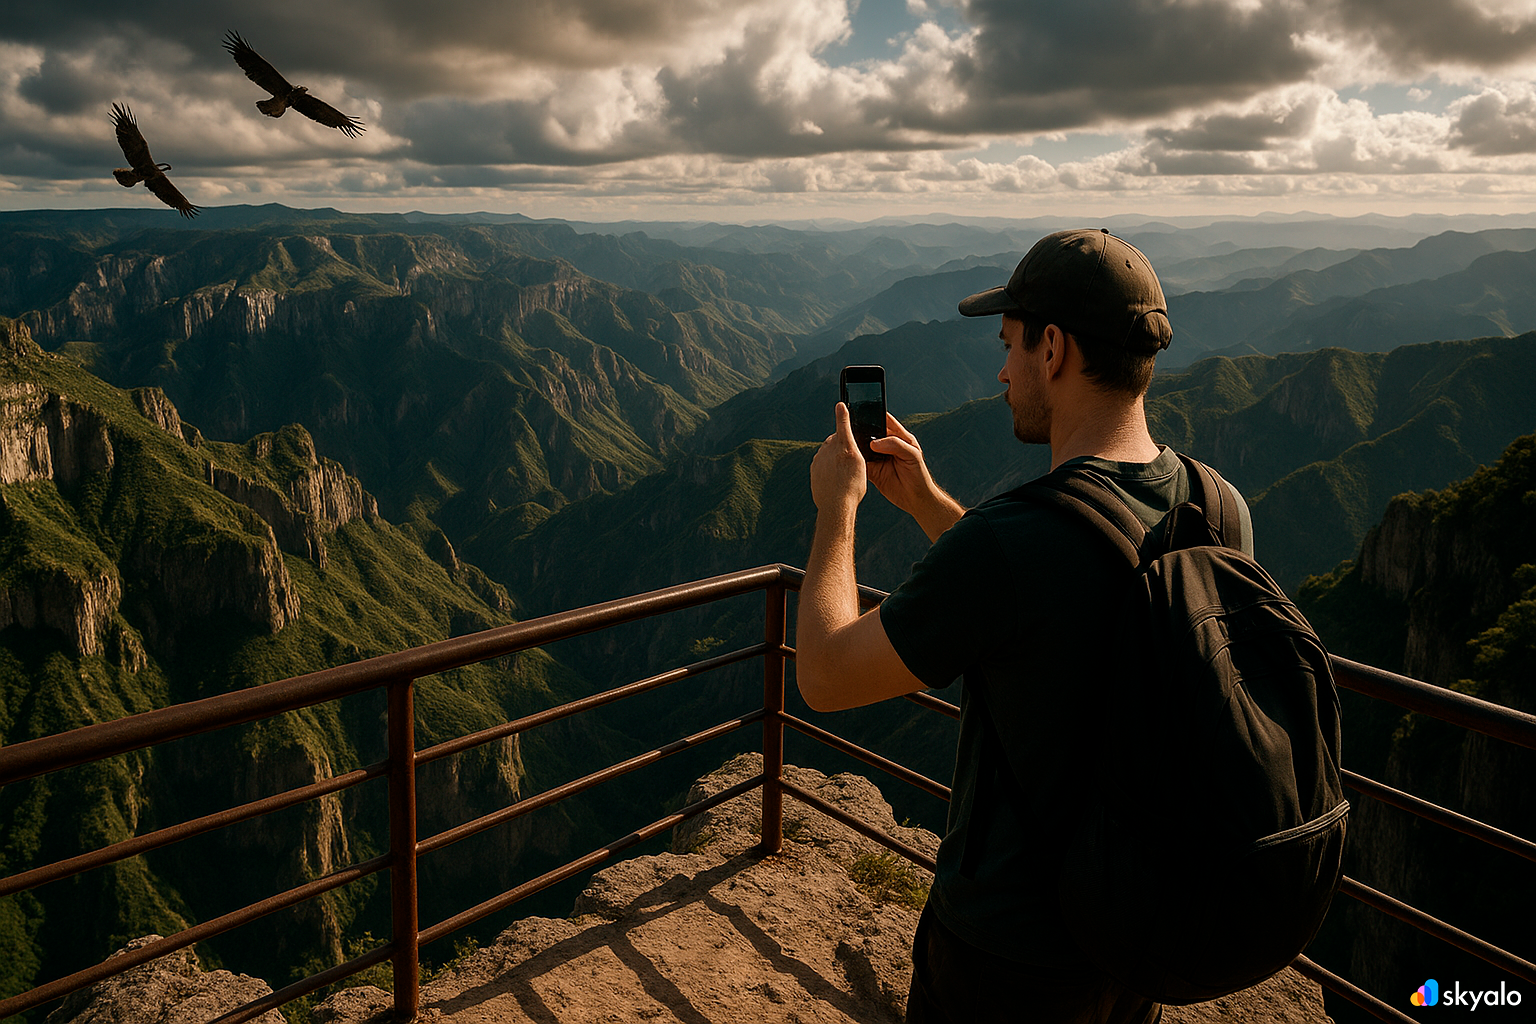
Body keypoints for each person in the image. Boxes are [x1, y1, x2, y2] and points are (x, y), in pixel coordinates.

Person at [794, 228, 1253, 1024]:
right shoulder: (1217, 505)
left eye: (1009, 345)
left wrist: (839, 510)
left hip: (1007, 954)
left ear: (1054, 348)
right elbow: (1068, 600)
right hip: (1135, 929)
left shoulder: (1009, 545)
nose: (1001, 370)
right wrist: (934, 507)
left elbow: (825, 676)